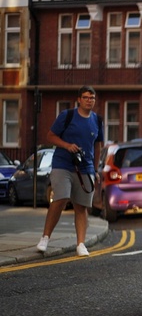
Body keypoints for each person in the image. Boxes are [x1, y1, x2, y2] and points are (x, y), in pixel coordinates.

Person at [37, 86, 104, 256]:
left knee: (81, 207)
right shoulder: (67, 116)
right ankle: (45, 238)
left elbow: (98, 145)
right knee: (61, 198)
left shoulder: (97, 120)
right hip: (63, 164)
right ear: (79, 100)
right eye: (86, 97)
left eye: (92, 98)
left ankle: (80, 244)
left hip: (85, 167)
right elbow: (50, 136)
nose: (89, 100)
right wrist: (67, 146)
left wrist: (95, 169)